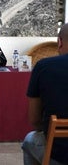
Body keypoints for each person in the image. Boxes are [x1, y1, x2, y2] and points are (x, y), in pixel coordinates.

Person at [21, 23, 68, 165]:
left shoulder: (44, 66)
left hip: (59, 154)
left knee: (30, 139)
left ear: (59, 42)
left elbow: (35, 120)